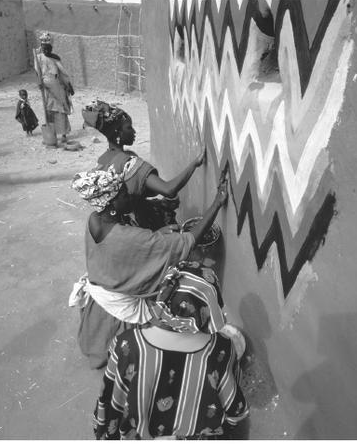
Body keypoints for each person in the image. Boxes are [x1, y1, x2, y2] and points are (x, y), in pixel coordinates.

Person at [70, 161, 229, 369]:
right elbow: (188, 241)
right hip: (119, 305)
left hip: (100, 288)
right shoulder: (129, 238)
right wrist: (217, 202)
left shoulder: (95, 220)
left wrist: (155, 236)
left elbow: (116, 251)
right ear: (110, 204)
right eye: (123, 195)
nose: (129, 197)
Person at [93, 261, 250, 440]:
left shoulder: (127, 345)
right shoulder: (221, 348)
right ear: (208, 306)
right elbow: (234, 410)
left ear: (163, 296)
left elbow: (110, 400)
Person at [82, 100, 205, 230]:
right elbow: (168, 189)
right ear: (118, 132)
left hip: (116, 223)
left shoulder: (103, 159)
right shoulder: (129, 163)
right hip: (137, 224)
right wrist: (194, 164)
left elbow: (131, 191)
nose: (134, 132)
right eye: (129, 127)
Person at [34, 32, 74, 143]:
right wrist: (39, 83)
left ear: (51, 48)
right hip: (46, 88)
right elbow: (37, 73)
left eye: (48, 48)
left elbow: (62, 73)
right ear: (41, 48)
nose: (46, 50)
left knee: (61, 110)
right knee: (50, 110)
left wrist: (68, 85)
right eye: (44, 48)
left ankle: (64, 134)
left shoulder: (55, 58)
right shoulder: (38, 58)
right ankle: (52, 134)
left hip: (57, 87)